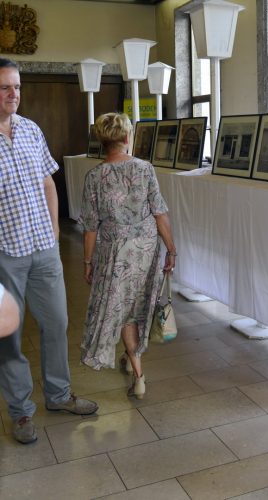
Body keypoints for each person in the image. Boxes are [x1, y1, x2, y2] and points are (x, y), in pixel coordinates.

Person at [0, 57, 98, 445]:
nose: (14, 94)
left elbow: (48, 183)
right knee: (9, 336)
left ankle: (58, 395)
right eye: (6, 87)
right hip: (5, 253)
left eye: (18, 87)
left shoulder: (31, 130)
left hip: (43, 248)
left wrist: (55, 229)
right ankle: (21, 412)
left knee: (56, 324)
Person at [79, 112, 176, 400]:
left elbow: (90, 228)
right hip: (146, 250)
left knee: (123, 311)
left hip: (115, 254)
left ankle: (139, 375)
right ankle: (133, 360)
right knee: (136, 307)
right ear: (126, 138)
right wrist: (171, 249)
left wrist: (87, 262)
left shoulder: (94, 176)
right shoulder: (145, 169)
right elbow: (160, 214)